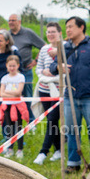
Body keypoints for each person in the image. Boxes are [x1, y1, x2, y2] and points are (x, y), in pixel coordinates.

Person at [50, 16, 90, 172]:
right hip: (70, 96)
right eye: (66, 27)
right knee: (70, 130)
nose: (68, 30)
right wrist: (59, 67)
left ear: (81, 27)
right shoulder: (64, 47)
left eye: (71, 26)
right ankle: (73, 163)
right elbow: (51, 67)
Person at [33, 22, 63, 165]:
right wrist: (44, 73)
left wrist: (53, 74)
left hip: (58, 90)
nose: (50, 34)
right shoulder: (44, 49)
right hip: (44, 88)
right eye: (48, 32)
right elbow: (38, 69)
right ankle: (59, 149)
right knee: (51, 121)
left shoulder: (64, 48)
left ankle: (43, 152)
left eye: (53, 32)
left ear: (59, 33)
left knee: (52, 119)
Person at [7, 13, 45, 98]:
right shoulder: (7, 35)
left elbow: (43, 46)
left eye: (13, 20)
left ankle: (28, 111)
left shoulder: (28, 33)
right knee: (12, 96)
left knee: (27, 96)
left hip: (25, 70)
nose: (11, 22)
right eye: (9, 20)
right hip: (11, 71)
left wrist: (36, 61)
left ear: (19, 21)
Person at [0, 54, 29, 157]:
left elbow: (19, 92)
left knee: (19, 127)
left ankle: (20, 149)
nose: (12, 68)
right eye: (10, 66)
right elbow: (1, 94)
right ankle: (10, 148)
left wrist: (7, 92)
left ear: (18, 65)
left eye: (14, 66)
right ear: (6, 66)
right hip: (7, 105)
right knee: (9, 127)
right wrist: (12, 93)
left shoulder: (21, 77)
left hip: (18, 105)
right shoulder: (4, 78)